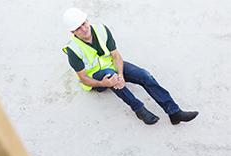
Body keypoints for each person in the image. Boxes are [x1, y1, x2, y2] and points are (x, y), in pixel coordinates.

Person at [62, 8, 198, 125]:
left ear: (87, 19)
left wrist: (121, 75)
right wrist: (102, 83)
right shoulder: (73, 50)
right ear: (72, 32)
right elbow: (84, 78)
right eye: (78, 28)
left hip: (112, 67)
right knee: (111, 75)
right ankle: (138, 109)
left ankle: (174, 113)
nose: (84, 29)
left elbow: (116, 55)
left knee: (144, 75)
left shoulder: (101, 30)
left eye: (84, 23)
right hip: (96, 78)